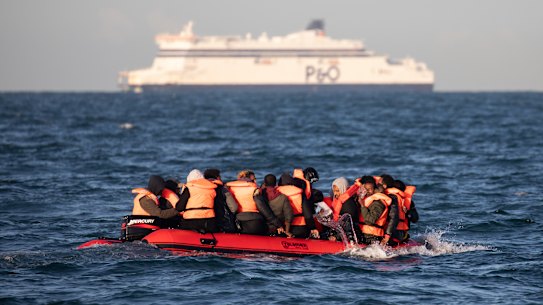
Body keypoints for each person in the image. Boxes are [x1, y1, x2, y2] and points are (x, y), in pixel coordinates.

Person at [125, 175, 180, 240]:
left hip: (149, 226)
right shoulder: (145, 199)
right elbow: (160, 214)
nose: (161, 192)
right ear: (156, 187)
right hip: (141, 228)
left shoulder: (151, 197)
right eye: (160, 189)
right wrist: (178, 209)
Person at [226, 170, 281, 235]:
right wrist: (278, 224)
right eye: (254, 179)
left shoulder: (230, 189)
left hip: (238, 224)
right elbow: (263, 208)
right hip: (255, 223)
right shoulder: (254, 190)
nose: (255, 181)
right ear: (250, 178)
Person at [277, 173, 320, 239]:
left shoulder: (277, 193)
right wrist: (312, 228)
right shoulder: (299, 193)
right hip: (301, 227)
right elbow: (307, 214)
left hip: (283, 228)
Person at [323, 177, 362, 242]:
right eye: (334, 191)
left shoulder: (348, 204)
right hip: (341, 233)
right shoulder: (338, 201)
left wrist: (336, 237)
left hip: (351, 236)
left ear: (343, 188)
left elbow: (349, 226)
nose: (335, 194)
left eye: (337, 191)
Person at [358, 176, 393, 244]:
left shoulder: (378, 203)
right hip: (364, 234)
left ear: (374, 189)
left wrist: (362, 206)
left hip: (372, 237)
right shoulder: (365, 200)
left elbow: (371, 220)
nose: (367, 191)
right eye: (365, 189)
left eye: (370, 189)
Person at [203, 168, 239, 233]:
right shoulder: (223, 189)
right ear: (218, 177)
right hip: (222, 224)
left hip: (205, 222)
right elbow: (234, 208)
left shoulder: (200, 189)